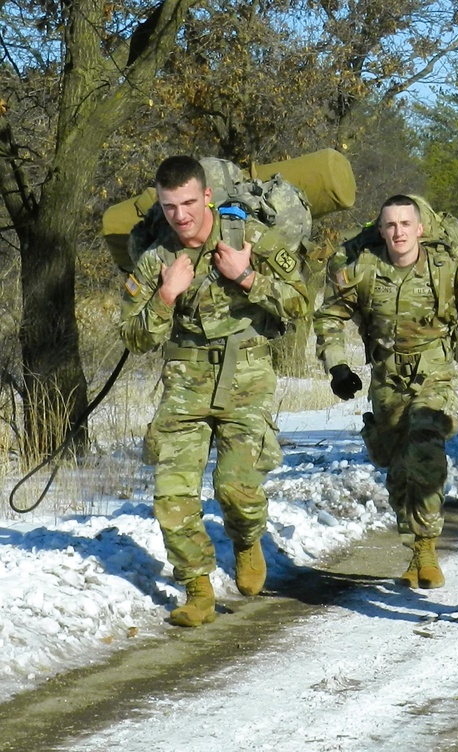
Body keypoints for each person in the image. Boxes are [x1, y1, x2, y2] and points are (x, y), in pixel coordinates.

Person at [120, 155, 310, 627]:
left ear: (207, 196)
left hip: (246, 379)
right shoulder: (155, 259)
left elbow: (299, 305)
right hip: (185, 385)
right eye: (169, 207)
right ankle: (197, 590)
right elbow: (133, 338)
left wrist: (246, 276)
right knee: (172, 496)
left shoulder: (245, 238)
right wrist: (165, 296)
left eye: (188, 202)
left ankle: (247, 541)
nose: (180, 216)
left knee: (236, 487)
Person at [314, 195, 458, 589]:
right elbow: (329, 315)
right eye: (390, 226)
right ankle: (414, 547)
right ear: (381, 231)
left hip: (435, 375)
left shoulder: (444, 269)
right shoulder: (364, 270)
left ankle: (427, 547)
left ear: (420, 228)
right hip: (387, 379)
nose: (399, 233)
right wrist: (338, 365)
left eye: (405, 224)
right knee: (397, 470)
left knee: (426, 449)